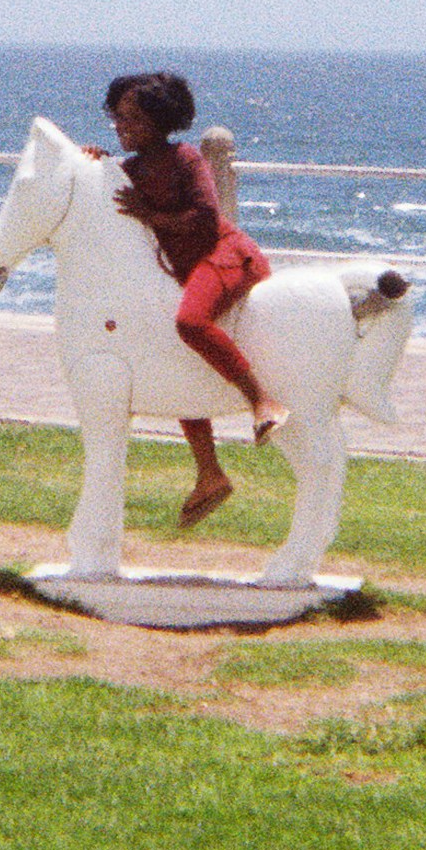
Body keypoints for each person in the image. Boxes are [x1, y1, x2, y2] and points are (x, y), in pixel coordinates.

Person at [92, 70, 286, 529]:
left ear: (160, 120)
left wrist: (150, 215)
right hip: (185, 269)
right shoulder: (131, 169)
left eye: (132, 119)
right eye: (117, 117)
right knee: (173, 350)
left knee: (190, 323)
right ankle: (209, 474)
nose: (121, 126)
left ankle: (263, 402)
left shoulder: (186, 158)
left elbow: (205, 218)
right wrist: (95, 162)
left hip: (225, 257)